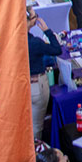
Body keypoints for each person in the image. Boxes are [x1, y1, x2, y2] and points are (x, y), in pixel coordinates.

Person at [26, 8, 61, 140]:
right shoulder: (35, 43)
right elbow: (57, 49)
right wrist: (47, 30)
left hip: (19, 85)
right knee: (36, 126)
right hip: (36, 86)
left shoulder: (11, 39)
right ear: (30, 21)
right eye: (35, 16)